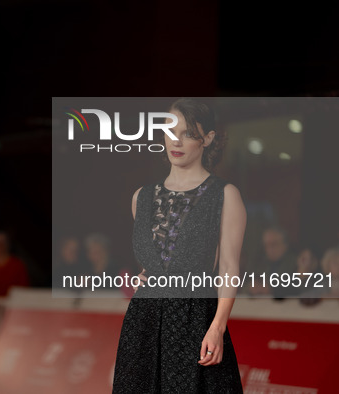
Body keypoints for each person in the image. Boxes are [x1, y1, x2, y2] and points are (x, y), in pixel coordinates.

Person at [113, 98, 245, 393]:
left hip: (195, 320)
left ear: (208, 139)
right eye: (171, 131)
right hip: (143, 324)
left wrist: (217, 327)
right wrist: (144, 276)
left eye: (188, 133)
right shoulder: (141, 198)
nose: (177, 140)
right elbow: (156, 259)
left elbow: (228, 268)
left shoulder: (225, 196)